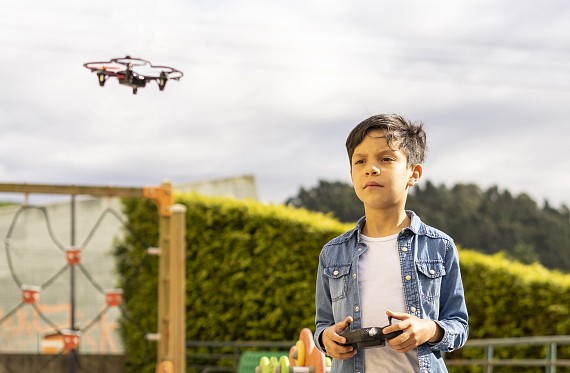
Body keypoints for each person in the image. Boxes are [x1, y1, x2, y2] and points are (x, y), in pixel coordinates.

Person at [314, 114, 468, 373]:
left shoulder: (439, 246)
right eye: (360, 161)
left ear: (414, 173)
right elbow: (322, 325)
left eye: (386, 159)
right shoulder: (332, 253)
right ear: (352, 174)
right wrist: (326, 339)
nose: (370, 168)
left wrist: (428, 329)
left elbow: (458, 325)